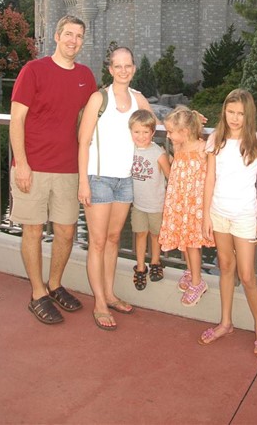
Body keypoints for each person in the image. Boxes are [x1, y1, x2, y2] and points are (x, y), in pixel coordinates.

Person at [9, 15, 97, 325]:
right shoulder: (34, 70)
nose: (74, 40)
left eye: (79, 36)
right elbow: (17, 120)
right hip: (33, 167)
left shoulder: (86, 76)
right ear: (57, 37)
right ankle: (37, 294)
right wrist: (22, 164)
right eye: (69, 34)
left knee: (66, 230)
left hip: (69, 168)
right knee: (33, 230)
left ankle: (55, 284)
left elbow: (97, 115)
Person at [78, 46, 154, 330]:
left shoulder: (139, 99)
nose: (123, 70)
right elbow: (83, 141)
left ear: (134, 68)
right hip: (98, 179)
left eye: (128, 65)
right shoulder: (99, 98)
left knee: (112, 239)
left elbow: (156, 127)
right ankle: (99, 302)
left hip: (126, 180)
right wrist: (83, 182)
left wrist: (190, 118)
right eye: (118, 66)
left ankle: (109, 294)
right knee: (97, 242)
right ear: (110, 69)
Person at [199, 89, 257, 357]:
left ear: (248, 115)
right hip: (219, 213)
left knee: (247, 275)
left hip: (244, 215)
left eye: (240, 113)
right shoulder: (215, 139)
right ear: (224, 111)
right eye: (230, 112)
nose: (235, 118)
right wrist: (205, 215)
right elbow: (210, 178)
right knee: (225, 266)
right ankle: (225, 323)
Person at [158, 106, 215, 307]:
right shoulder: (179, 146)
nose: (168, 135)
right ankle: (191, 272)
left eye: (171, 132)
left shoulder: (203, 148)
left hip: (195, 204)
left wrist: (193, 117)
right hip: (180, 201)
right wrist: (192, 114)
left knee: (192, 242)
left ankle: (198, 282)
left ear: (185, 131)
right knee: (186, 239)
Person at [129, 109, 171, 290]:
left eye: (145, 132)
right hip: (138, 204)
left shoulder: (158, 153)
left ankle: (155, 262)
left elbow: (170, 175)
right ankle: (140, 267)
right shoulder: (129, 150)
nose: (141, 136)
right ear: (131, 132)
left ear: (152, 132)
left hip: (156, 204)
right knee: (140, 234)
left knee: (155, 235)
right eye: (137, 131)